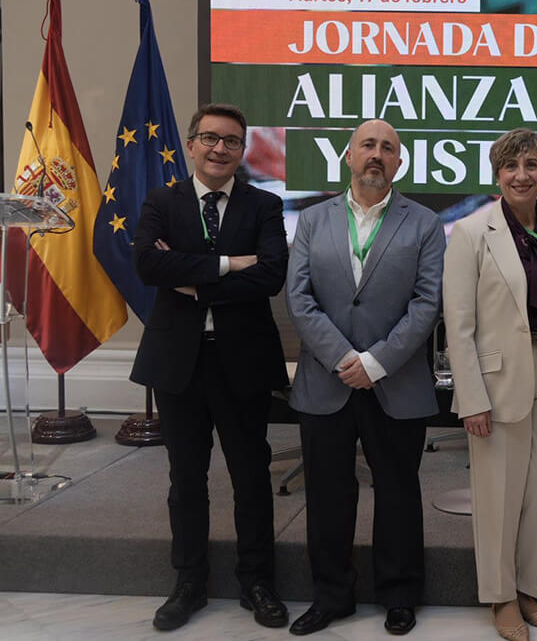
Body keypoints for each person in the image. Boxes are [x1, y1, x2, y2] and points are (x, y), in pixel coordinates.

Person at [131, 103, 289, 632]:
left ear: (242, 151)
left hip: (242, 361)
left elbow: (269, 277)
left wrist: (193, 278)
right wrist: (226, 264)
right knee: (186, 479)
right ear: (193, 144)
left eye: (232, 141)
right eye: (210, 138)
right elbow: (149, 264)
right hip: (180, 363)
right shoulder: (162, 201)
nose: (220, 148)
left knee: (251, 477)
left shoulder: (264, 206)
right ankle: (189, 582)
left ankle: (258, 582)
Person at [285, 118, 444, 636]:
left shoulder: (423, 223)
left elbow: (427, 303)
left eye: (389, 148)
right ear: (348, 156)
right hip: (326, 380)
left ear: (400, 163)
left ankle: (399, 595)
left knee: (398, 492)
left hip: (394, 381)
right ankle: (332, 596)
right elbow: (299, 298)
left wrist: (374, 362)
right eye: (368, 145)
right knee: (328, 495)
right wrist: (342, 359)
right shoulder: (311, 220)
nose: (377, 154)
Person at [443, 129, 537, 641]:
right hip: (500, 376)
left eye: (531, 164)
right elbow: (458, 325)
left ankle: (528, 588)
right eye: (510, 166)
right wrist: (471, 398)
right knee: (499, 494)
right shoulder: (471, 232)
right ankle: (501, 597)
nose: (521, 174)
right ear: (496, 174)